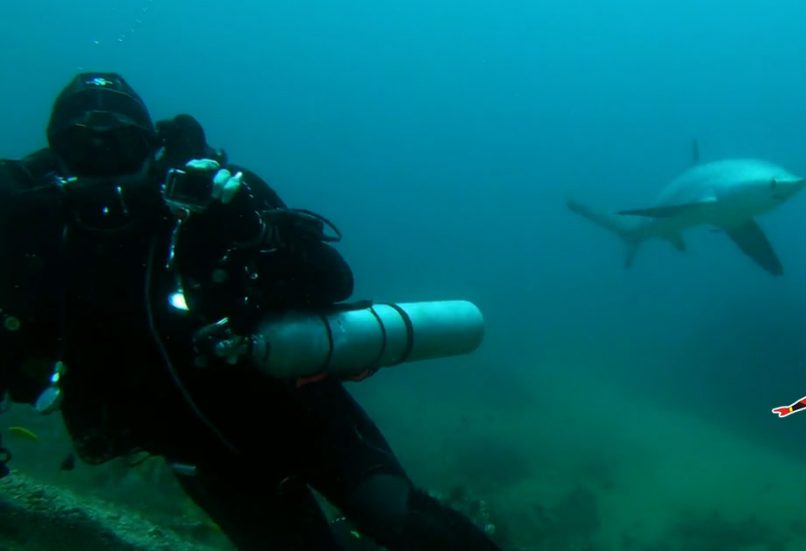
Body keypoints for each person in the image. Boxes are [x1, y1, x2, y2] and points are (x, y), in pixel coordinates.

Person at [0, 72, 501, 550]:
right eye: (81, 143)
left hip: (302, 413)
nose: (102, 157)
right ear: (55, 151)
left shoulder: (209, 194)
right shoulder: (37, 236)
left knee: (404, 522)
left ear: (148, 145)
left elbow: (332, 279)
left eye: (121, 142)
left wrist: (250, 228)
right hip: (200, 454)